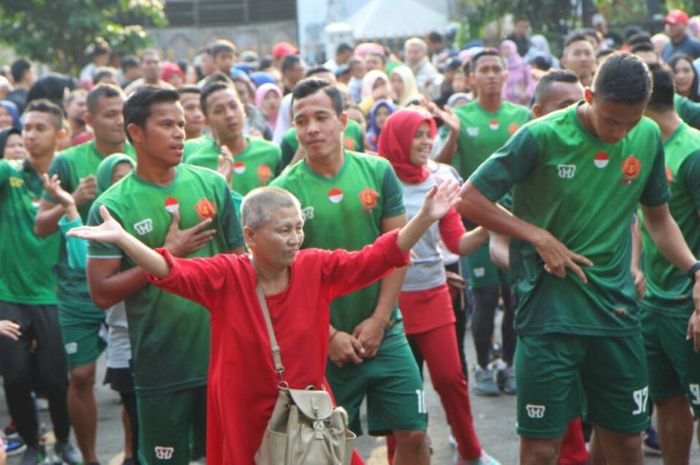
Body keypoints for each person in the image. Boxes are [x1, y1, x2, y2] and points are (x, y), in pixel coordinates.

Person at [69, 172, 459, 464]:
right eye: (284, 230)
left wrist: (424, 217)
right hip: (244, 412)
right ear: (251, 236)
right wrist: (123, 239)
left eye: (299, 228)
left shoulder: (315, 267)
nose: (295, 238)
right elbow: (170, 270)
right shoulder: (227, 275)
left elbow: (376, 257)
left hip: (305, 409)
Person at [459, 52, 700, 465]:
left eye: (631, 120)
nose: (619, 131)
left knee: (625, 442)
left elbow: (658, 220)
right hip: (548, 313)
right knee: (540, 448)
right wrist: (537, 236)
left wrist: (694, 268)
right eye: (610, 120)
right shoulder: (541, 135)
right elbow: (470, 198)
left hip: (618, 316)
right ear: (587, 96)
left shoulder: (644, 136)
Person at [273, 78, 431, 465]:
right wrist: (327, 335)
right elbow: (281, 279)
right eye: (301, 120)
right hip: (319, 342)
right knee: (326, 447)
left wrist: (379, 320)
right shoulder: (283, 193)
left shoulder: (378, 171)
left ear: (343, 120)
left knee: (415, 433)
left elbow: (397, 249)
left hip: (387, 332)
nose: (311, 128)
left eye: (321, 117)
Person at [83, 86, 244, 465]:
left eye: (182, 125)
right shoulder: (111, 207)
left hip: (223, 361)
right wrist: (166, 258)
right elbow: (102, 293)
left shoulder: (212, 185)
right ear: (136, 133)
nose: (179, 133)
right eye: (167, 124)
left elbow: (242, 267)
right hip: (161, 368)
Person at [378, 108, 500, 465]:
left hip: (433, 294)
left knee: (451, 379)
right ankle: (398, 457)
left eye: (428, 133)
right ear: (397, 138)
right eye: (416, 135)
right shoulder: (379, 176)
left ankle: (471, 452)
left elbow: (457, 244)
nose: (426, 141)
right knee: (400, 392)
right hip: (390, 302)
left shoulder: (442, 176)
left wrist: (492, 225)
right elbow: (375, 245)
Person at [488, 69, 591, 465]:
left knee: (607, 431)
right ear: (536, 113)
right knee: (548, 434)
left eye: (581, 104)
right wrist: (534, 251)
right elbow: (498, 244)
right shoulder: (522, 171)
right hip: (542, 312)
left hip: (600, 314)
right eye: (565, 106)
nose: (576, 113)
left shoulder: (606, 153)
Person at [34, 84, 134, 465]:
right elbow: (41, 226)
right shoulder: (68, 162)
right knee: (80, 376)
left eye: (122, 112)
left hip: (126, 287)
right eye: (109, 114)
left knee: (129, 380)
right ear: (88, 120)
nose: (119, 121)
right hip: (77, 288)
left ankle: (129, 455)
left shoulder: (139, 157)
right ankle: (90, 457)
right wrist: (72, 200)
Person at [436, 49, 531, 397]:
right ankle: (483, 366)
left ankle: (508, 362)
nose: (491, 75)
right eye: (484, 70)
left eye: (497, 69)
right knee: (486, 295)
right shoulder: (458, 116)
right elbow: (440, 169)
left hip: (514, 218)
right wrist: (452, 136)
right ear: (471, 78)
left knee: (514, 293)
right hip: (475, 221)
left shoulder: (522, 115)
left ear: (507, 75)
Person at [0, 99, 81, 465]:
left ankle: (63, 440)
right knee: (14, 375)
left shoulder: (71, 178)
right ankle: (33, 444)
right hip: (10, 294)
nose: (30, 135)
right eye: (26, 128)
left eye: (39, 128)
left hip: (54, 294)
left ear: (60, 135)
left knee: (54, 379)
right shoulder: (9, 174)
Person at [639, 63, 700, 465]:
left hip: (689, 306)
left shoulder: (692, 151)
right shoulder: (641, 145)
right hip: (653, 305)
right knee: (668, 402)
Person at [185, 81, 281, 196]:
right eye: (219, 111)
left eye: (233, 106)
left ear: (244, 110)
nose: (229, 115)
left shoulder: (271, 152)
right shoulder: (197, 163)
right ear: (207, 122)